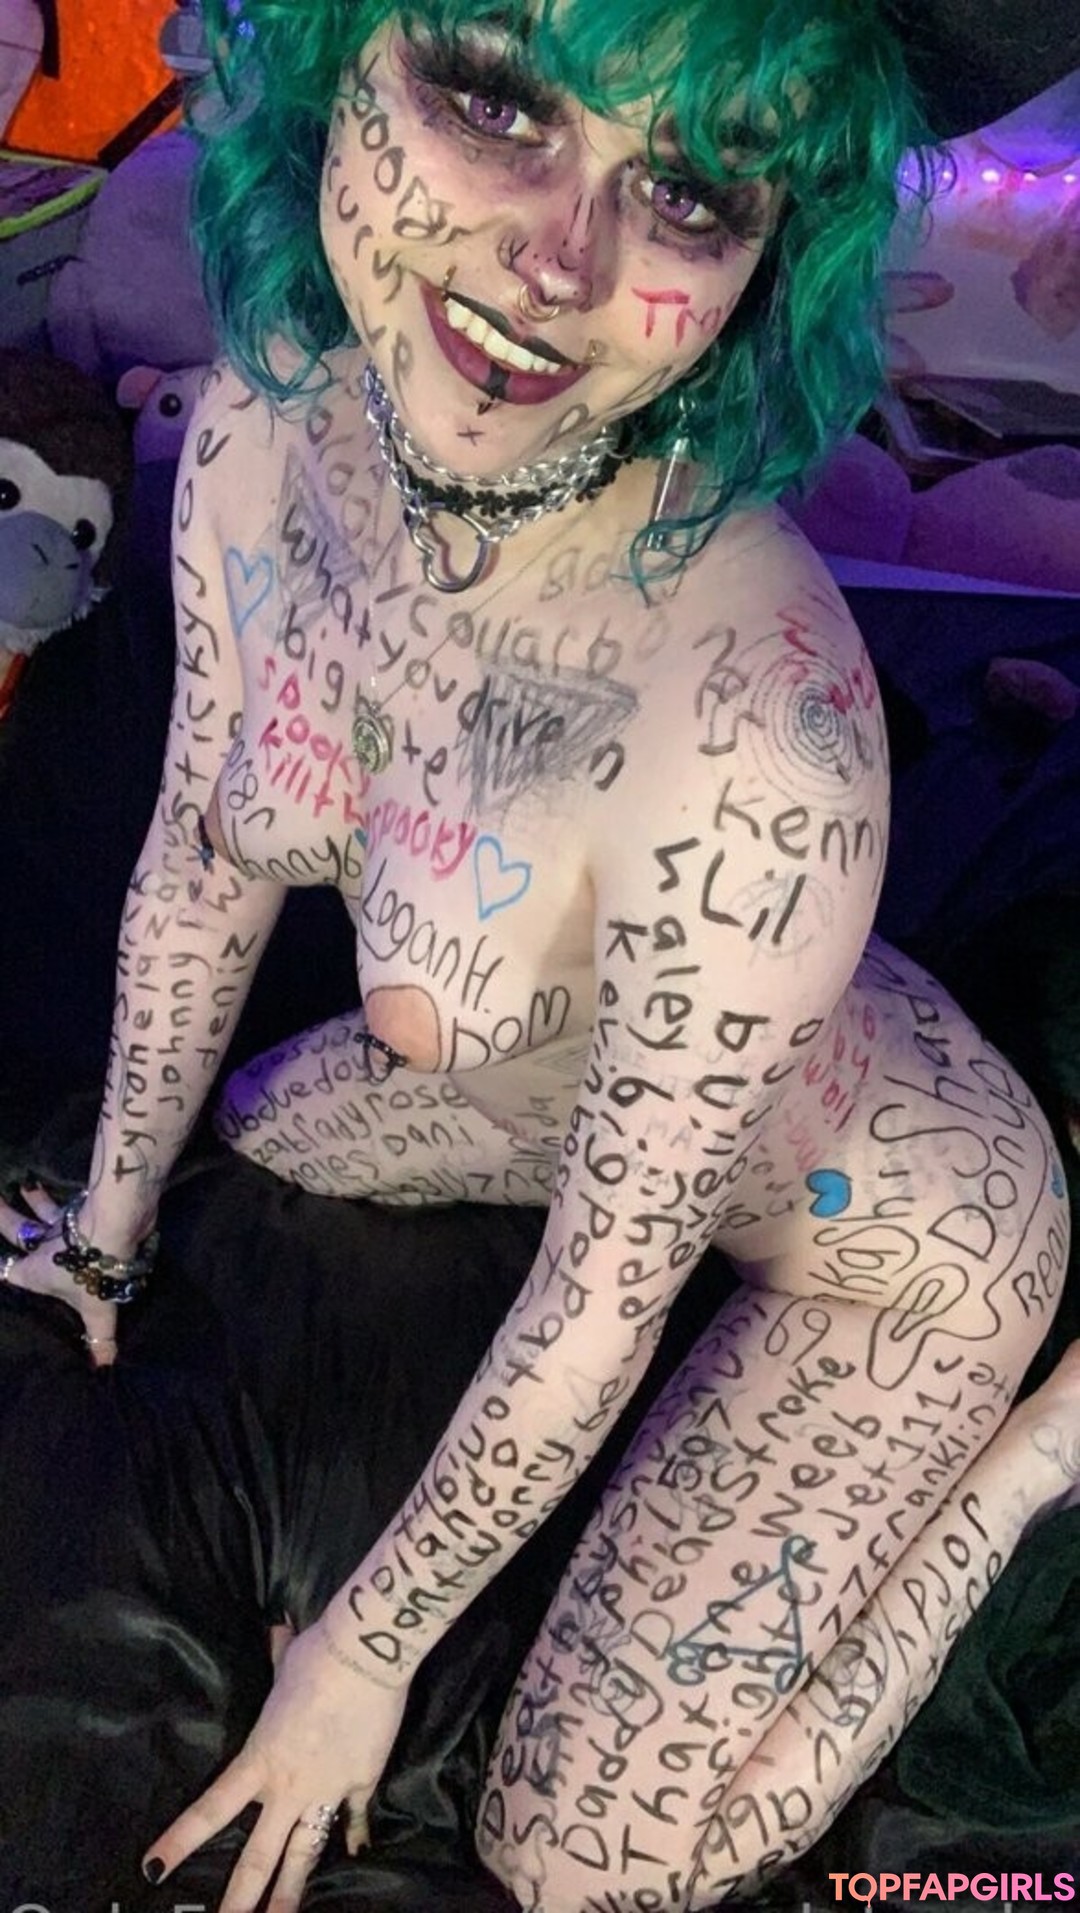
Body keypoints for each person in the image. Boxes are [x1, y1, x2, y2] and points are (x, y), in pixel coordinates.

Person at [1, 0, 1076, 1907]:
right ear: (337, 55)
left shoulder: (757, 722)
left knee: (580, 1865)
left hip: (897, 1242)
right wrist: (104, 1234)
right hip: (583, 1077)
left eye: (690, 191)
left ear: (768, 261)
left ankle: (1046, 1451)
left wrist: (360, 1655)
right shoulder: (250, 438)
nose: (559, 266)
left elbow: (604, 1290)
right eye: (494, 96)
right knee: (259, 1128)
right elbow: (199, 858)